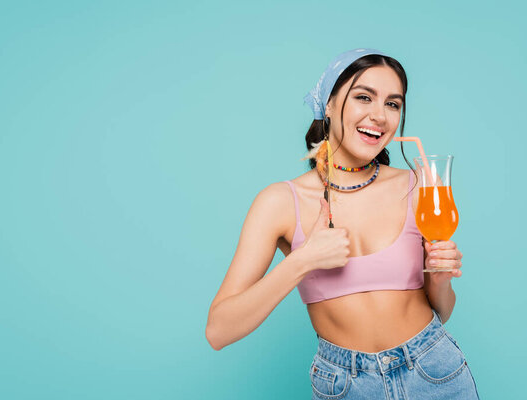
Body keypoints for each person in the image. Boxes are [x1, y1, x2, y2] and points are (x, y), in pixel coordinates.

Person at [206, 48, 480, 399]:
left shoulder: (417, 186)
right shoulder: (280, 202)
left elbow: (440, 310)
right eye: (364, 97)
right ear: (330, 105)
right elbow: (218, 331)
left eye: (393, 104)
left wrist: (440, 280)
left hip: (435, 370)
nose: (379, 115)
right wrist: (303, 261)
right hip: (348, 386)